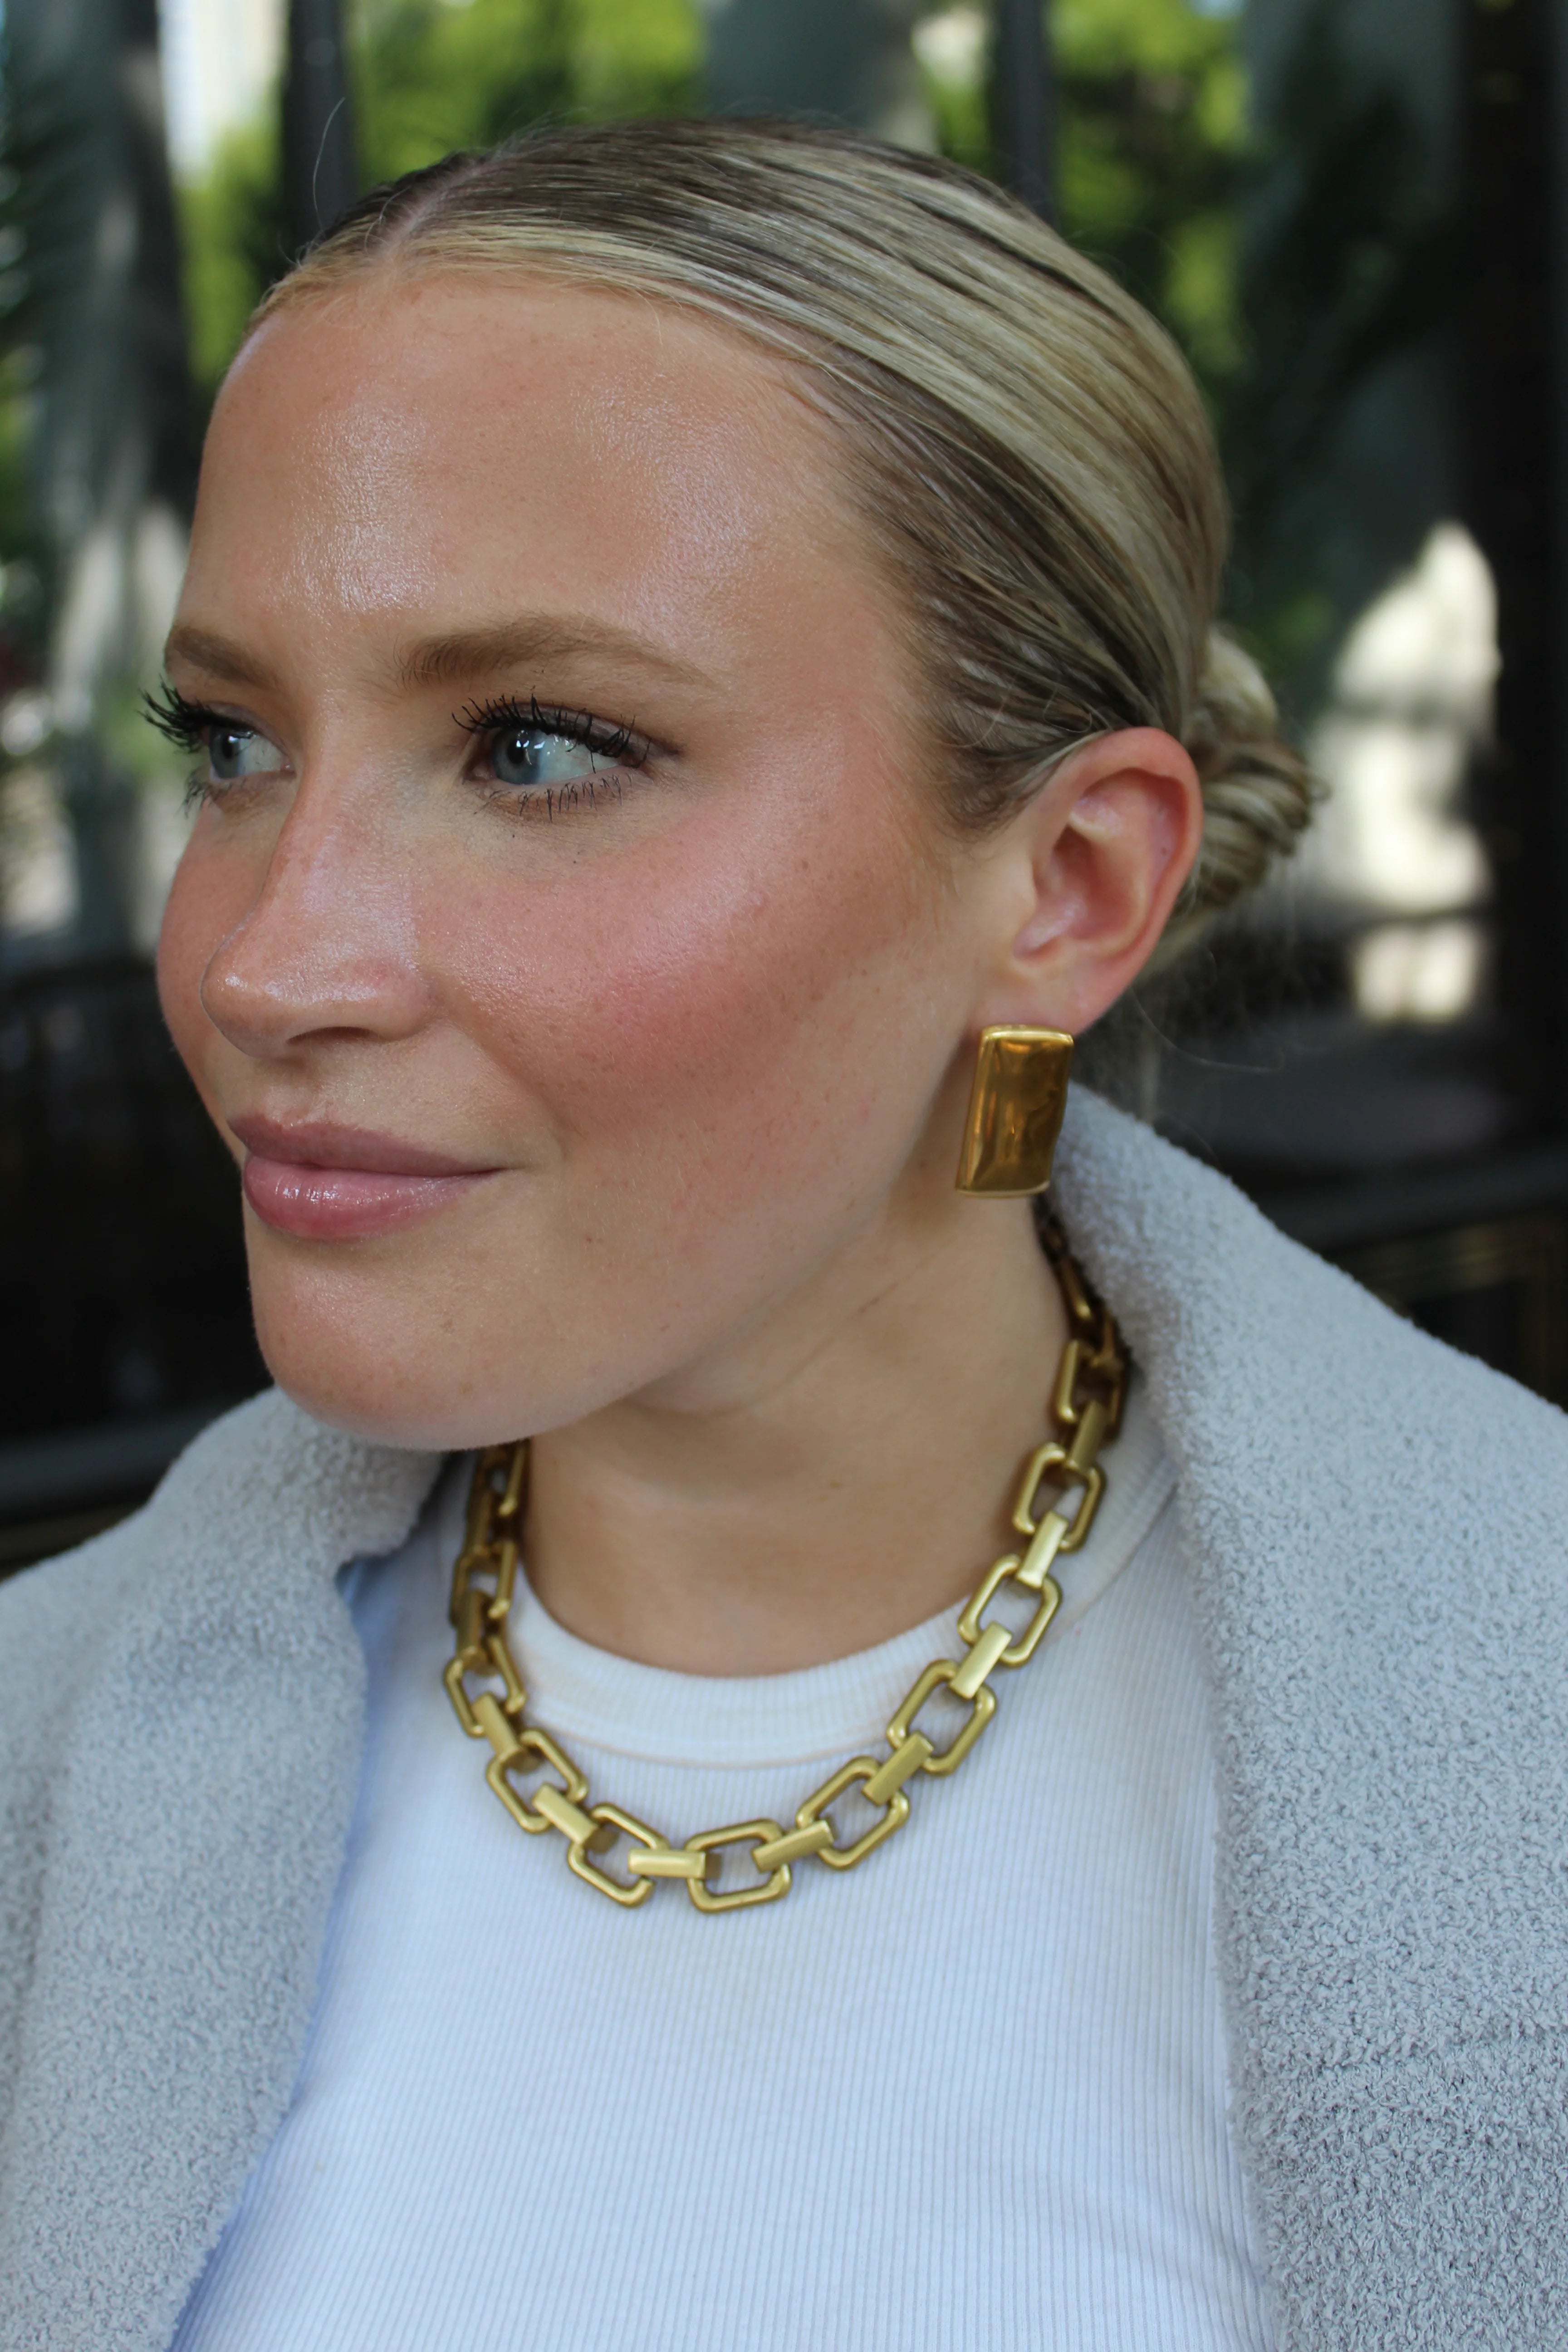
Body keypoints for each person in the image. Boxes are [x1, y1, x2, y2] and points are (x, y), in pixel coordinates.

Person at [1, 120, 1563, 2352]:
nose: (269, 963)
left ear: (1071, 888)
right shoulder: (50, 1786)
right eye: (233, 742)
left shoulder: (1513, 1769)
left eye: (538, 749)